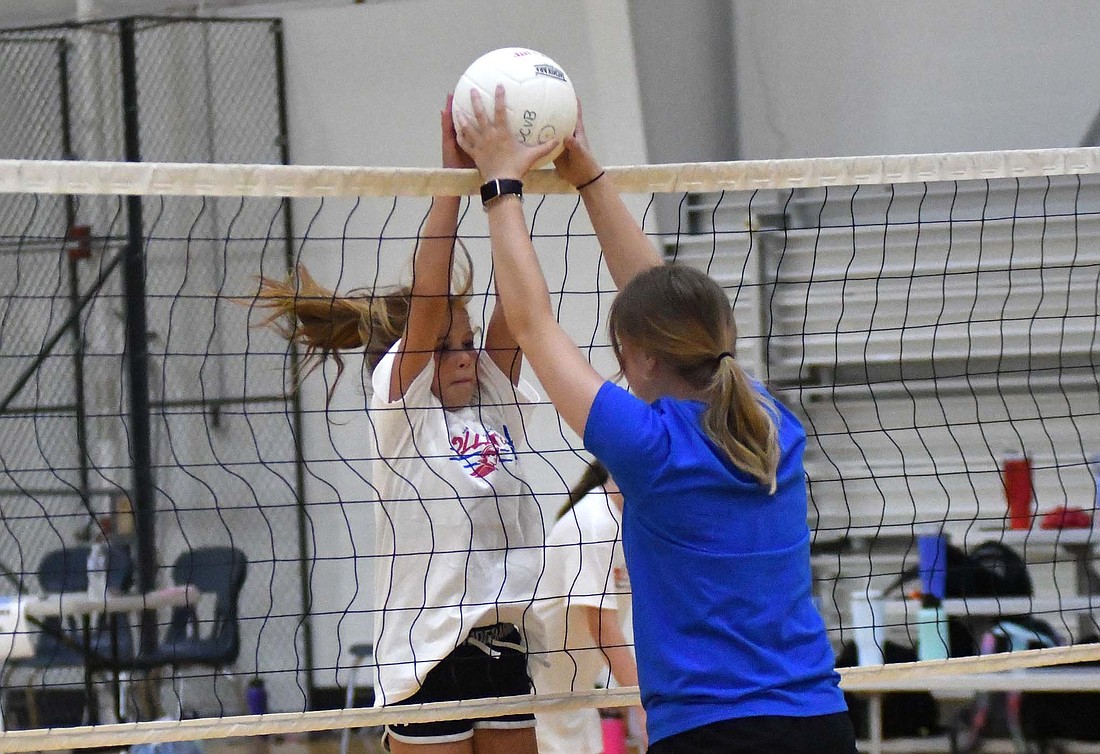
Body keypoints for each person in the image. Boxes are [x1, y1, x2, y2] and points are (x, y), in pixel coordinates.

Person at [454, 87, 855, 754]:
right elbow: (663, 303)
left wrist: (502, 185)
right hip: (819, 722)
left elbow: (532, 324)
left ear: (636, 359)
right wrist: (590, 180)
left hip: (711, 735)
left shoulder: (649, 448)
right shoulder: (770, 423)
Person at [254, 97, 544, 754]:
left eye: (467, 342)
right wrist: (452, 179)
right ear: (407, 356)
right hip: (426, 658)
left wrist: (507, 186)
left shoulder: (491, 401)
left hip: (502, 648)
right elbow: (431, 293)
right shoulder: (401, 409)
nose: (466, 354)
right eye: (446, 346)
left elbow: (518, 303)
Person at [531, 461, 644, 754]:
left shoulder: (628, 525)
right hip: (536, 704)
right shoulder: (594, 524)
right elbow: (603, 631)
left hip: (576, 701)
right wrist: (644, 705)